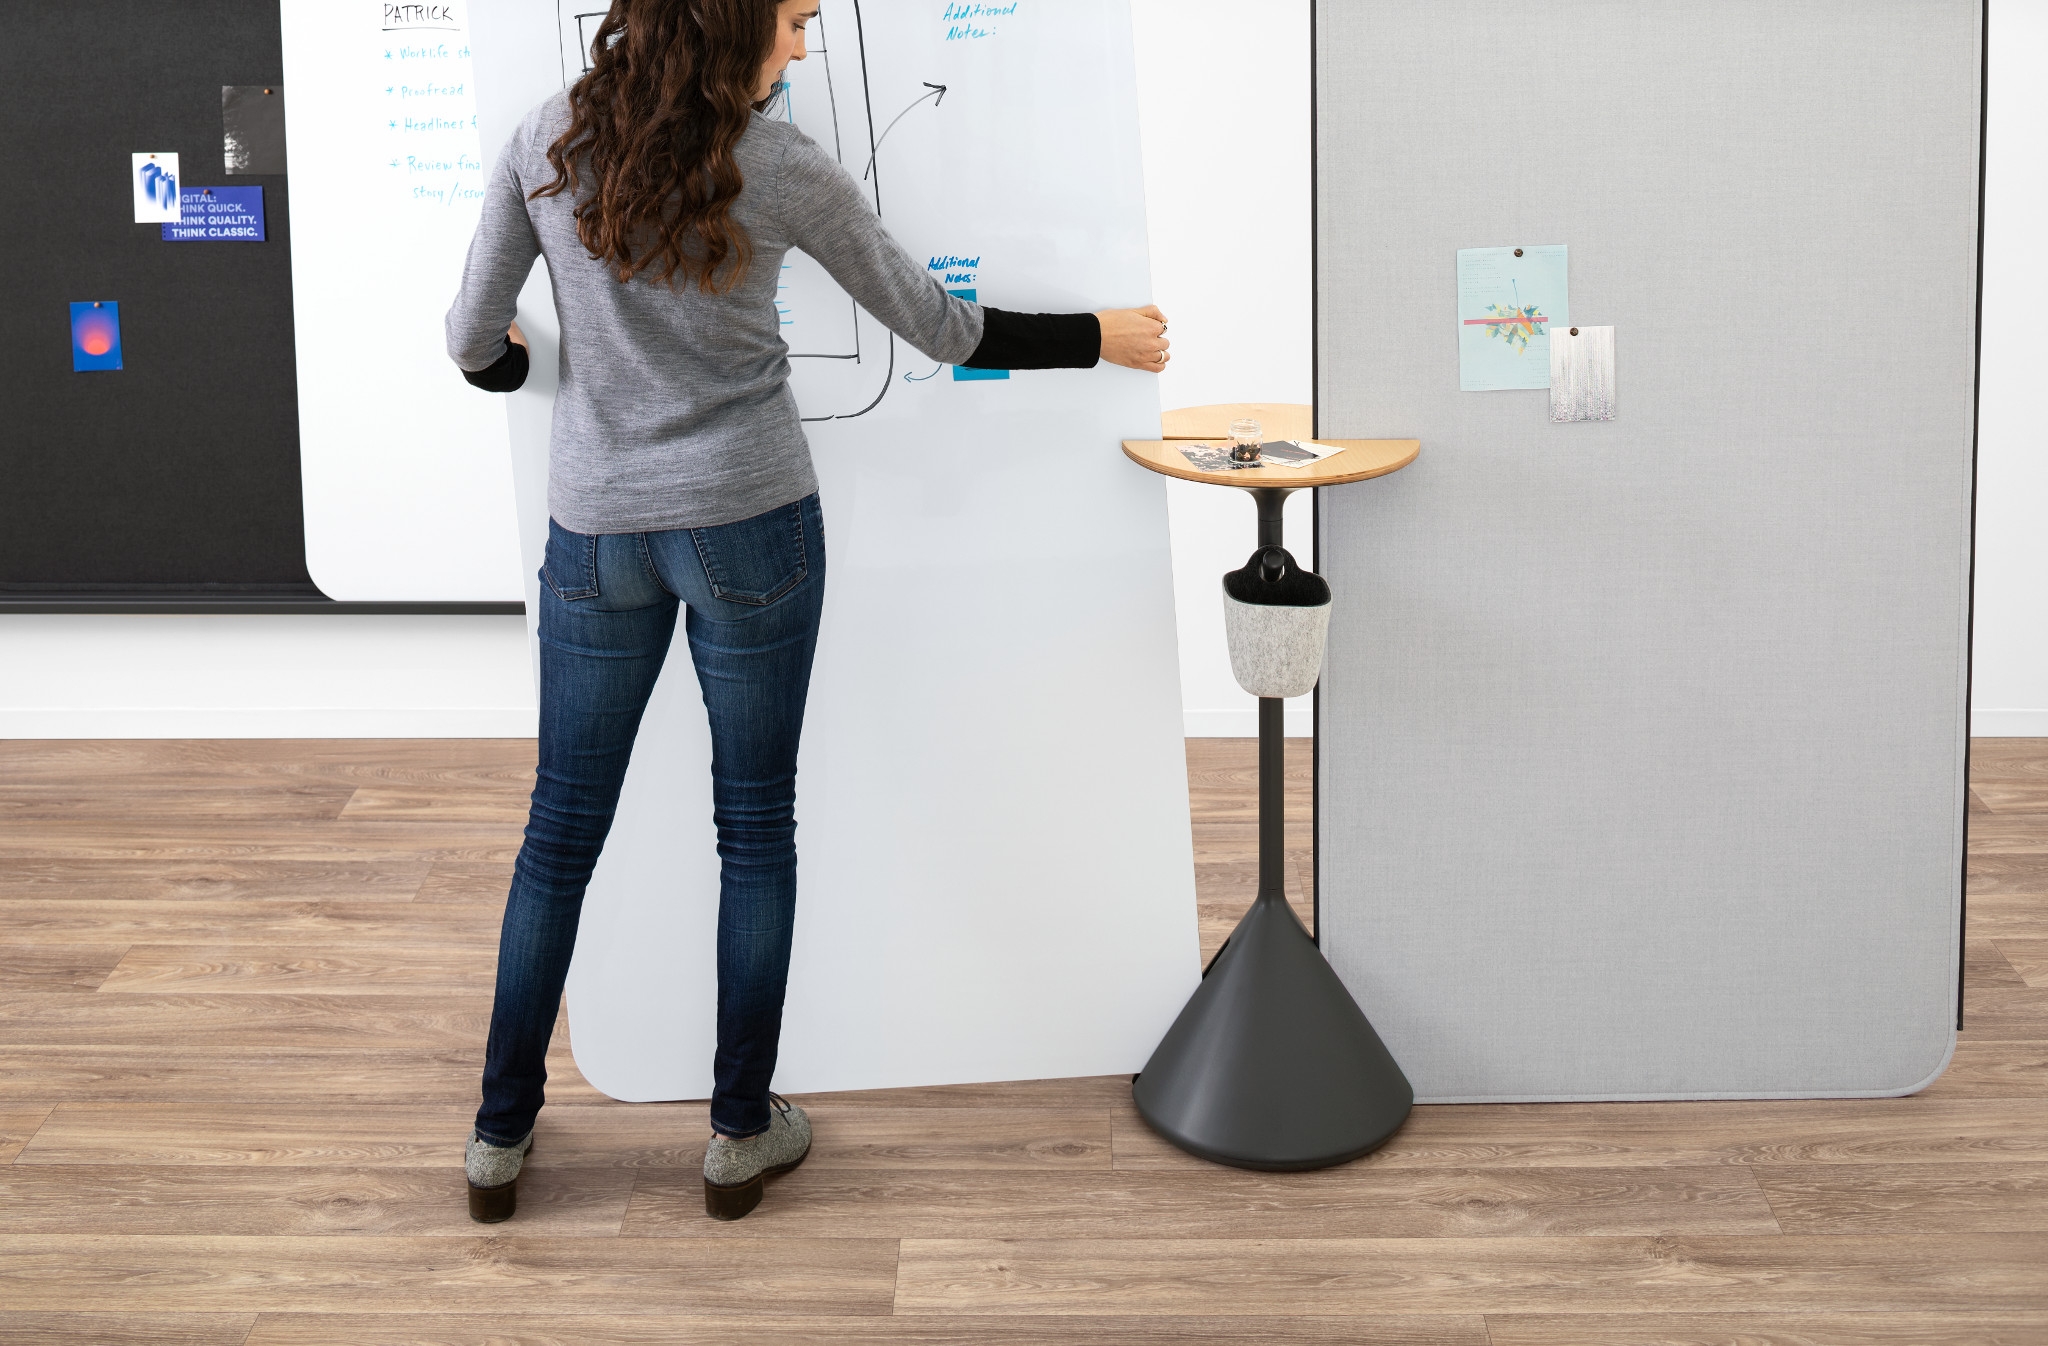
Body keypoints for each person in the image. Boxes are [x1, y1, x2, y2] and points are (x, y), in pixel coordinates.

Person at [444, 0, 1171, 1224]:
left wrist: (526, 367)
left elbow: (472, 342)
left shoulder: (545, 141)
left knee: (557, 837)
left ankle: (497, 1137)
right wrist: (1096, 337)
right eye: (788, 19)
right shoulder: (775, 166)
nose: (803, 42)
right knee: (754, 831)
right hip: (751, 528)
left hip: (596, 535)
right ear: (727, 28)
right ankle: (738, 1133)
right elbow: (937, 328)